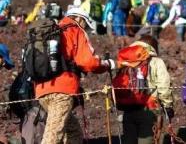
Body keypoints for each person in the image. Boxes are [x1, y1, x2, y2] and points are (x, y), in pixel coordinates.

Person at [34, 8, 115, 144]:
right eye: (84, 23)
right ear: (79, 18)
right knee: (52, 137)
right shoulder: (74, 29)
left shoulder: (52, 30)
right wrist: (106, 64)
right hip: (61, 92)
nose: (84, 27)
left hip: (42, 90)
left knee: (73, 132)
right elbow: (87, 61)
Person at [117, 36, 174, 144]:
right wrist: (168, 106)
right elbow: (164, 85)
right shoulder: (156, 61)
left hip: (128, 109)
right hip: (149, 108)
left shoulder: (127, 59)